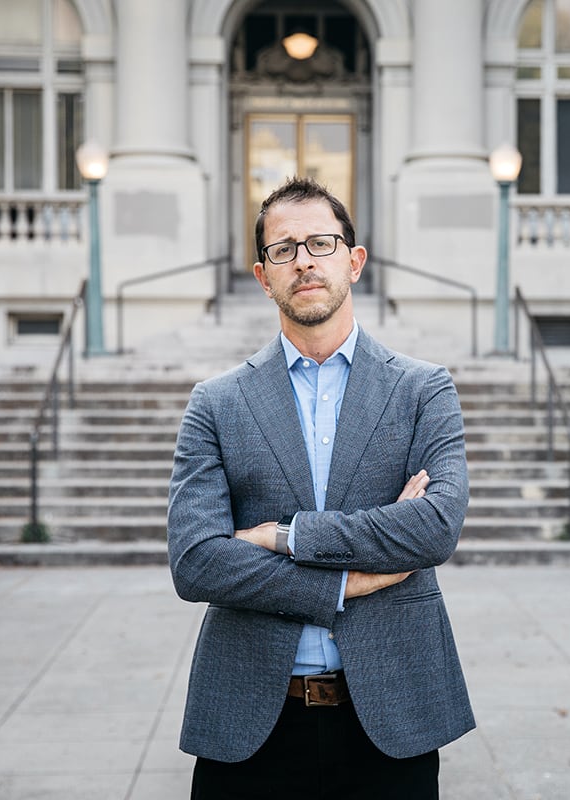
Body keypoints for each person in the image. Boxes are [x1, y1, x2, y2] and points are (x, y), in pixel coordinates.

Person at [167, 176, 475, 799]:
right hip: (252, 716)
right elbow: (196, 563)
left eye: (321, 243)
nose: (303, 260)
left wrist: (285, 537)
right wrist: (347, 581)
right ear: (263, 275)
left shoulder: (423, 389)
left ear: (354, 261)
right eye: (284, 249)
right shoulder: (216, 403)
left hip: (391, 717)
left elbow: (436, 526)